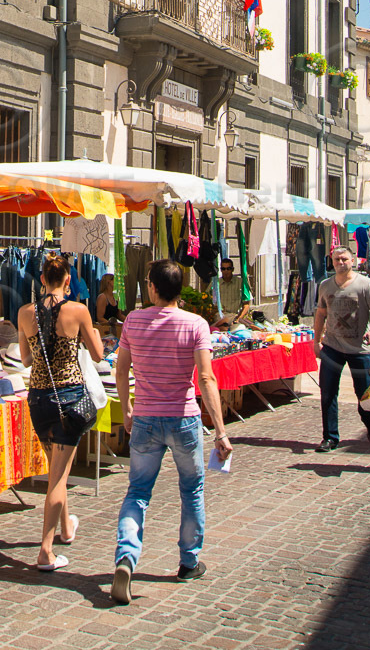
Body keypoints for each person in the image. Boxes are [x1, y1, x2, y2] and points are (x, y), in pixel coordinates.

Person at [110, 259, 232, 606]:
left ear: (152, 287)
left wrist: (127, 408)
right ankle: (189, 562)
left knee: (137, 492)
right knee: (191, 490)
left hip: (146, 418)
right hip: (183, 418)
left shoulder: (133, 320)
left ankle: (126, 557)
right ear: (180, 289)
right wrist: (221, 432)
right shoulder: (196, 324)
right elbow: (207, 378)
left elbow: (122, 370)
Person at [18, 253, 104, 572]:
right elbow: (97, 354)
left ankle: (66, 528)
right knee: (57, 478)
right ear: (67, 280)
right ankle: (45, 551)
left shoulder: (26, 313)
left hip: (38, 398)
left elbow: (26, 359)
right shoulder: (78, 310)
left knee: (57, 468)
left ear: (42, 280)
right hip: (68, 397)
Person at [313, 243, 370, 450]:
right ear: (332, 261)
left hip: (359, 349)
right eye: (337, 259)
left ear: (353, 261)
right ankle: (330, 437)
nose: (341, 263)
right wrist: (317, 341)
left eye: (344, 259)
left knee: (365, 395)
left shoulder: (365, 284)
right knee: (327, 392)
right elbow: (320, 314)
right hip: (332, 347)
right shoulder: (325, 285)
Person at [216, 258, 250, 327]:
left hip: (235, 317)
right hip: (219, 318)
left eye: (228, 268)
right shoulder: (216, 283)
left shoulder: (240, 282)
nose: (226, 271)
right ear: (221, 270)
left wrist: (238, 319)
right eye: (223, 269)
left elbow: (246, 303)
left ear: (232, 269)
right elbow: (206, 300)